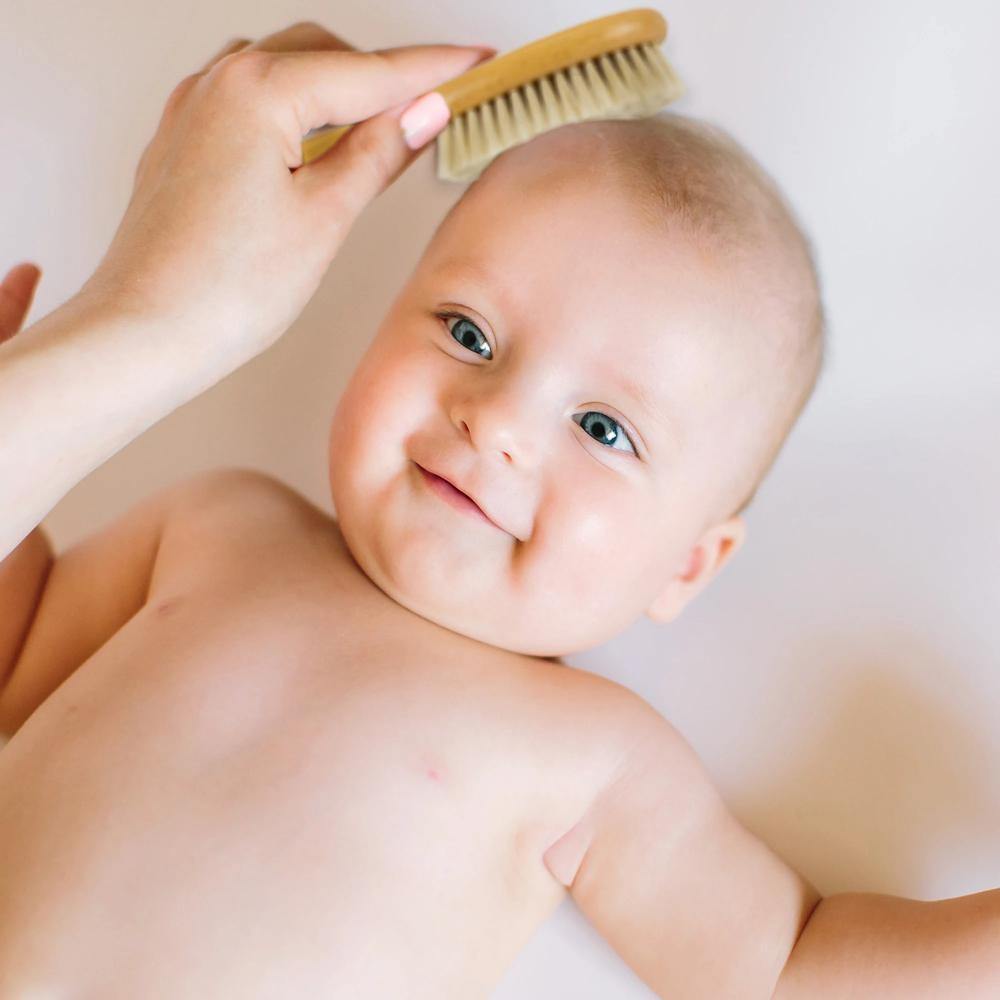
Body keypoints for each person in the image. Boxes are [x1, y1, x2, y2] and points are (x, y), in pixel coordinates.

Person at [0, 20, 997, 1000]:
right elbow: (19, 657)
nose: (498, 422)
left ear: (688, 564)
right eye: (469, 332)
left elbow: (792, 965)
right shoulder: (217, 524)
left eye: (603, 428)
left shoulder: (596, 756)